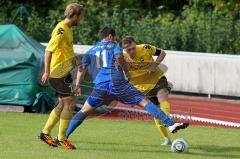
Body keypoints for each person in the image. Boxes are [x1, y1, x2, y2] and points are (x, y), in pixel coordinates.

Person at [65, 27, 189, 141]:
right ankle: (171, 124)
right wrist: (127, 73)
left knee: (84, 110)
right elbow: (119, 58)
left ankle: (63, 136)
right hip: (117, 83)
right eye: (114, 37)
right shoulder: (113, 45)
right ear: (110, 36)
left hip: (101, 86)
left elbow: (81, 68)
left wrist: (77, 85)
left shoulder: (92, 50)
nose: (115, 39)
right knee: (145, 102)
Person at [38, 3, 84, 150]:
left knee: (63, 103)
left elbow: (67, 50)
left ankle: (45, 133)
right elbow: (48, 51)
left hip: (64, 71)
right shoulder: (61, 30)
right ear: (75, 15)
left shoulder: (69, 29)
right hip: (56, 72)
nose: (81, 20)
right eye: (81, 16)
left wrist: (77, 61)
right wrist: (46, 72)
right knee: (69, 102)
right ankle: (62, 138)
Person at [122, 36, 172, 146]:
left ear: (136, 45)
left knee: (161, 95)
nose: (131, 51)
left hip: (157, 78)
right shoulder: (122, 58)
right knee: (156, 112)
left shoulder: (145, 48)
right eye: (128, 50)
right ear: (124, 50)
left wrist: (154, 65)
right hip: (143, 87)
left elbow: (162, 53)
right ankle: (166, 139)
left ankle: (168, 117)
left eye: (133, 48)